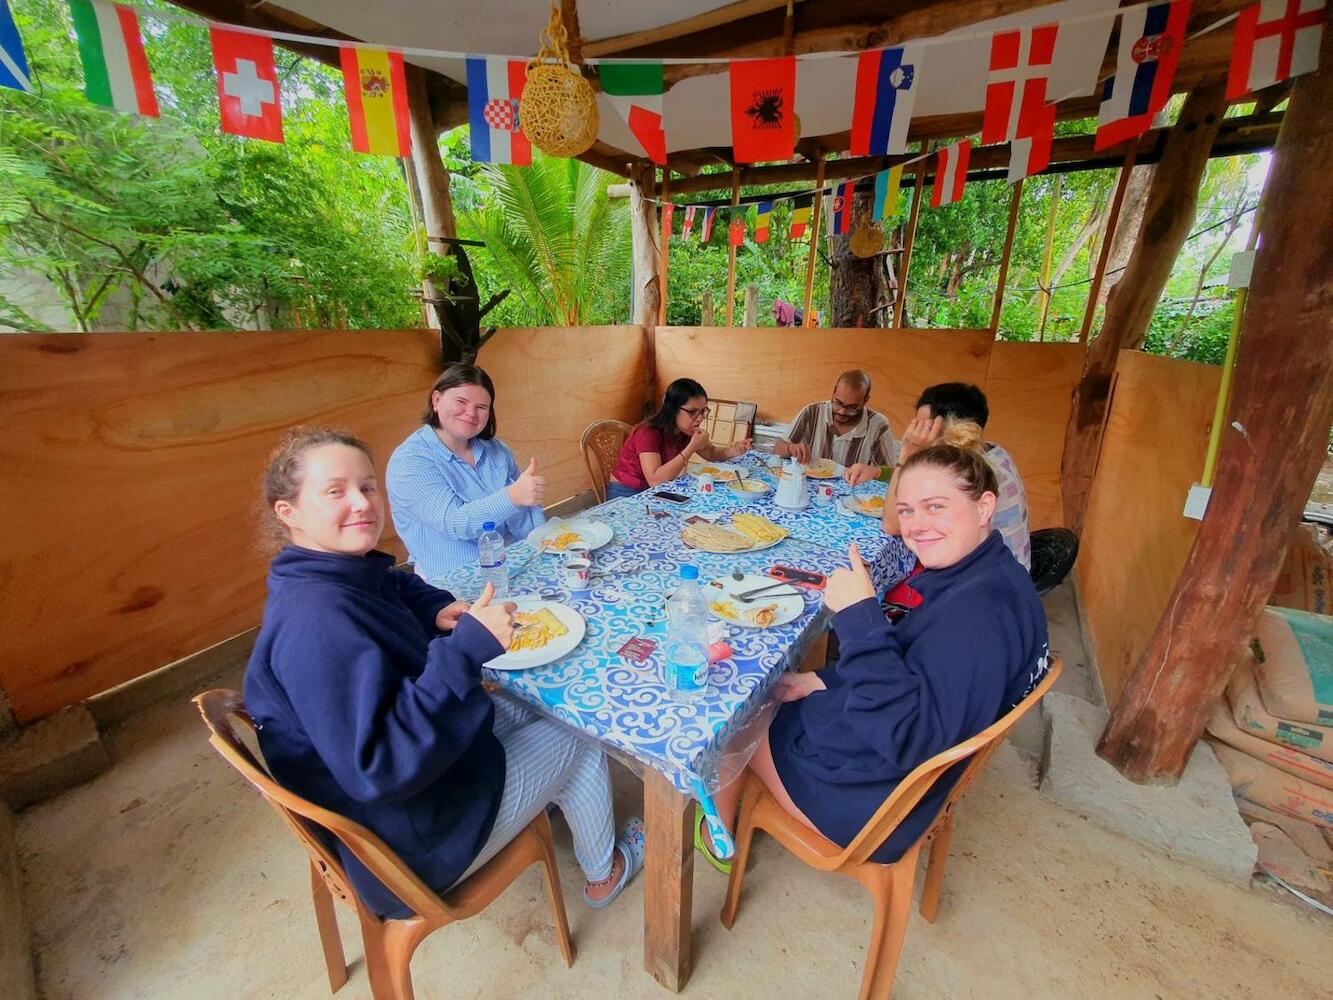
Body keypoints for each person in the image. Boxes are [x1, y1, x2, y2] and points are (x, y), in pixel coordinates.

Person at [244, 427, 644, 920]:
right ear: (289, 513)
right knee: (580, 736)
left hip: (423, 790)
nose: (362, 503)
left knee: (527, 702)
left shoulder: (331, 572)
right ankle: (606, 870)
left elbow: (391, 584)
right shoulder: (317, 624)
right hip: (411, 843)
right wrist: (463, 651)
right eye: (335, 491)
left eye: (367, 487)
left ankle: (556, 791)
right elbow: (381, 766)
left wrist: (436, 608)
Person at [706, 438, 1049, 871]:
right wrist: (824, 680)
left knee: (736, 713)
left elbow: (909, 735)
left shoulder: (978, 616)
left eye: (936, 506)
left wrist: (858, 617)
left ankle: (716, 830)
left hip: (879, 803)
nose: (916, 525)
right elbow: (917, 663)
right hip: (896, 762)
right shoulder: (992, 576)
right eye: (906, 509)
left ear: (984, 507)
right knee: (782, 688)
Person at [387, 364, 546, 581]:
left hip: (514, 565)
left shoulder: (497, 451)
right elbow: (455, 523)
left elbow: (528, 511)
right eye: (461, 401)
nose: (471, 413)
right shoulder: (409, 462)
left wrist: (545, 543)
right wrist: (513, 496)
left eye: (481, 407)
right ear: (436, 400)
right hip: (455, 582)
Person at [881, 382, 1031, 569]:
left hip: (986, 586)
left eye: (923, 427)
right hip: (1013, 573)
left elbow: (892, 524)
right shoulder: (995, 451)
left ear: (951, 429)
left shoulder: (959, 471)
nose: (917, 435)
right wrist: (879, 471)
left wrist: (906, 455)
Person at [607, 377, 752, 498]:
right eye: (693, 412)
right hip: (627, 490)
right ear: (673, 409)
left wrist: (732, 451)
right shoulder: (648, 433)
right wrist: (691, 447)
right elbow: (655, 480)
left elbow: (712, 453)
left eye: (703, 411)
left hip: (659, 489)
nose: (700, 418)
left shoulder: (685, 429)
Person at [774, 370, 898, 488]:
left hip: (853, 497)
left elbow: (894, 474)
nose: (842, 411)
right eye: (838, 402)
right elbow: (777, 449)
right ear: (833, 392)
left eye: (852, 407)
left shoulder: (878, 425)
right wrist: (790, 448)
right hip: (809, 491)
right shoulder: (812, 412)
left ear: (865, 400)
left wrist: (875, 471)